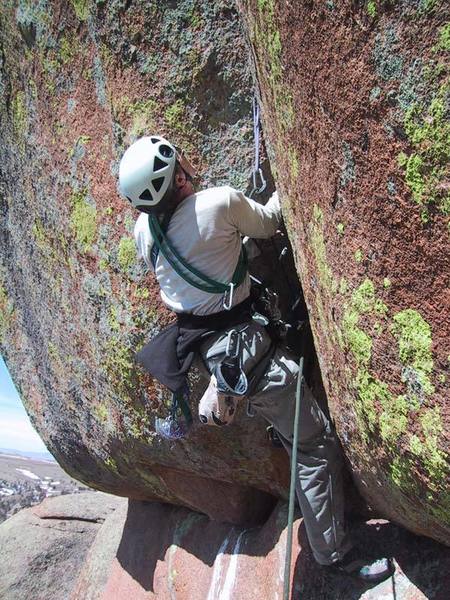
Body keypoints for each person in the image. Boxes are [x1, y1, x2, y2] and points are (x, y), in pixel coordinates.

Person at [119, 135, 394, 583]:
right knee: (313, 445)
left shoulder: (143, 232)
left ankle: (248, 405)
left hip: (212, 351)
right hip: (250, 351)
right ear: (177, 171)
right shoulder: (218, 203)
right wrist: (296, 170)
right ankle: (333, 554)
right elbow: (268, 221)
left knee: (282, 417)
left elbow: (196, 257)